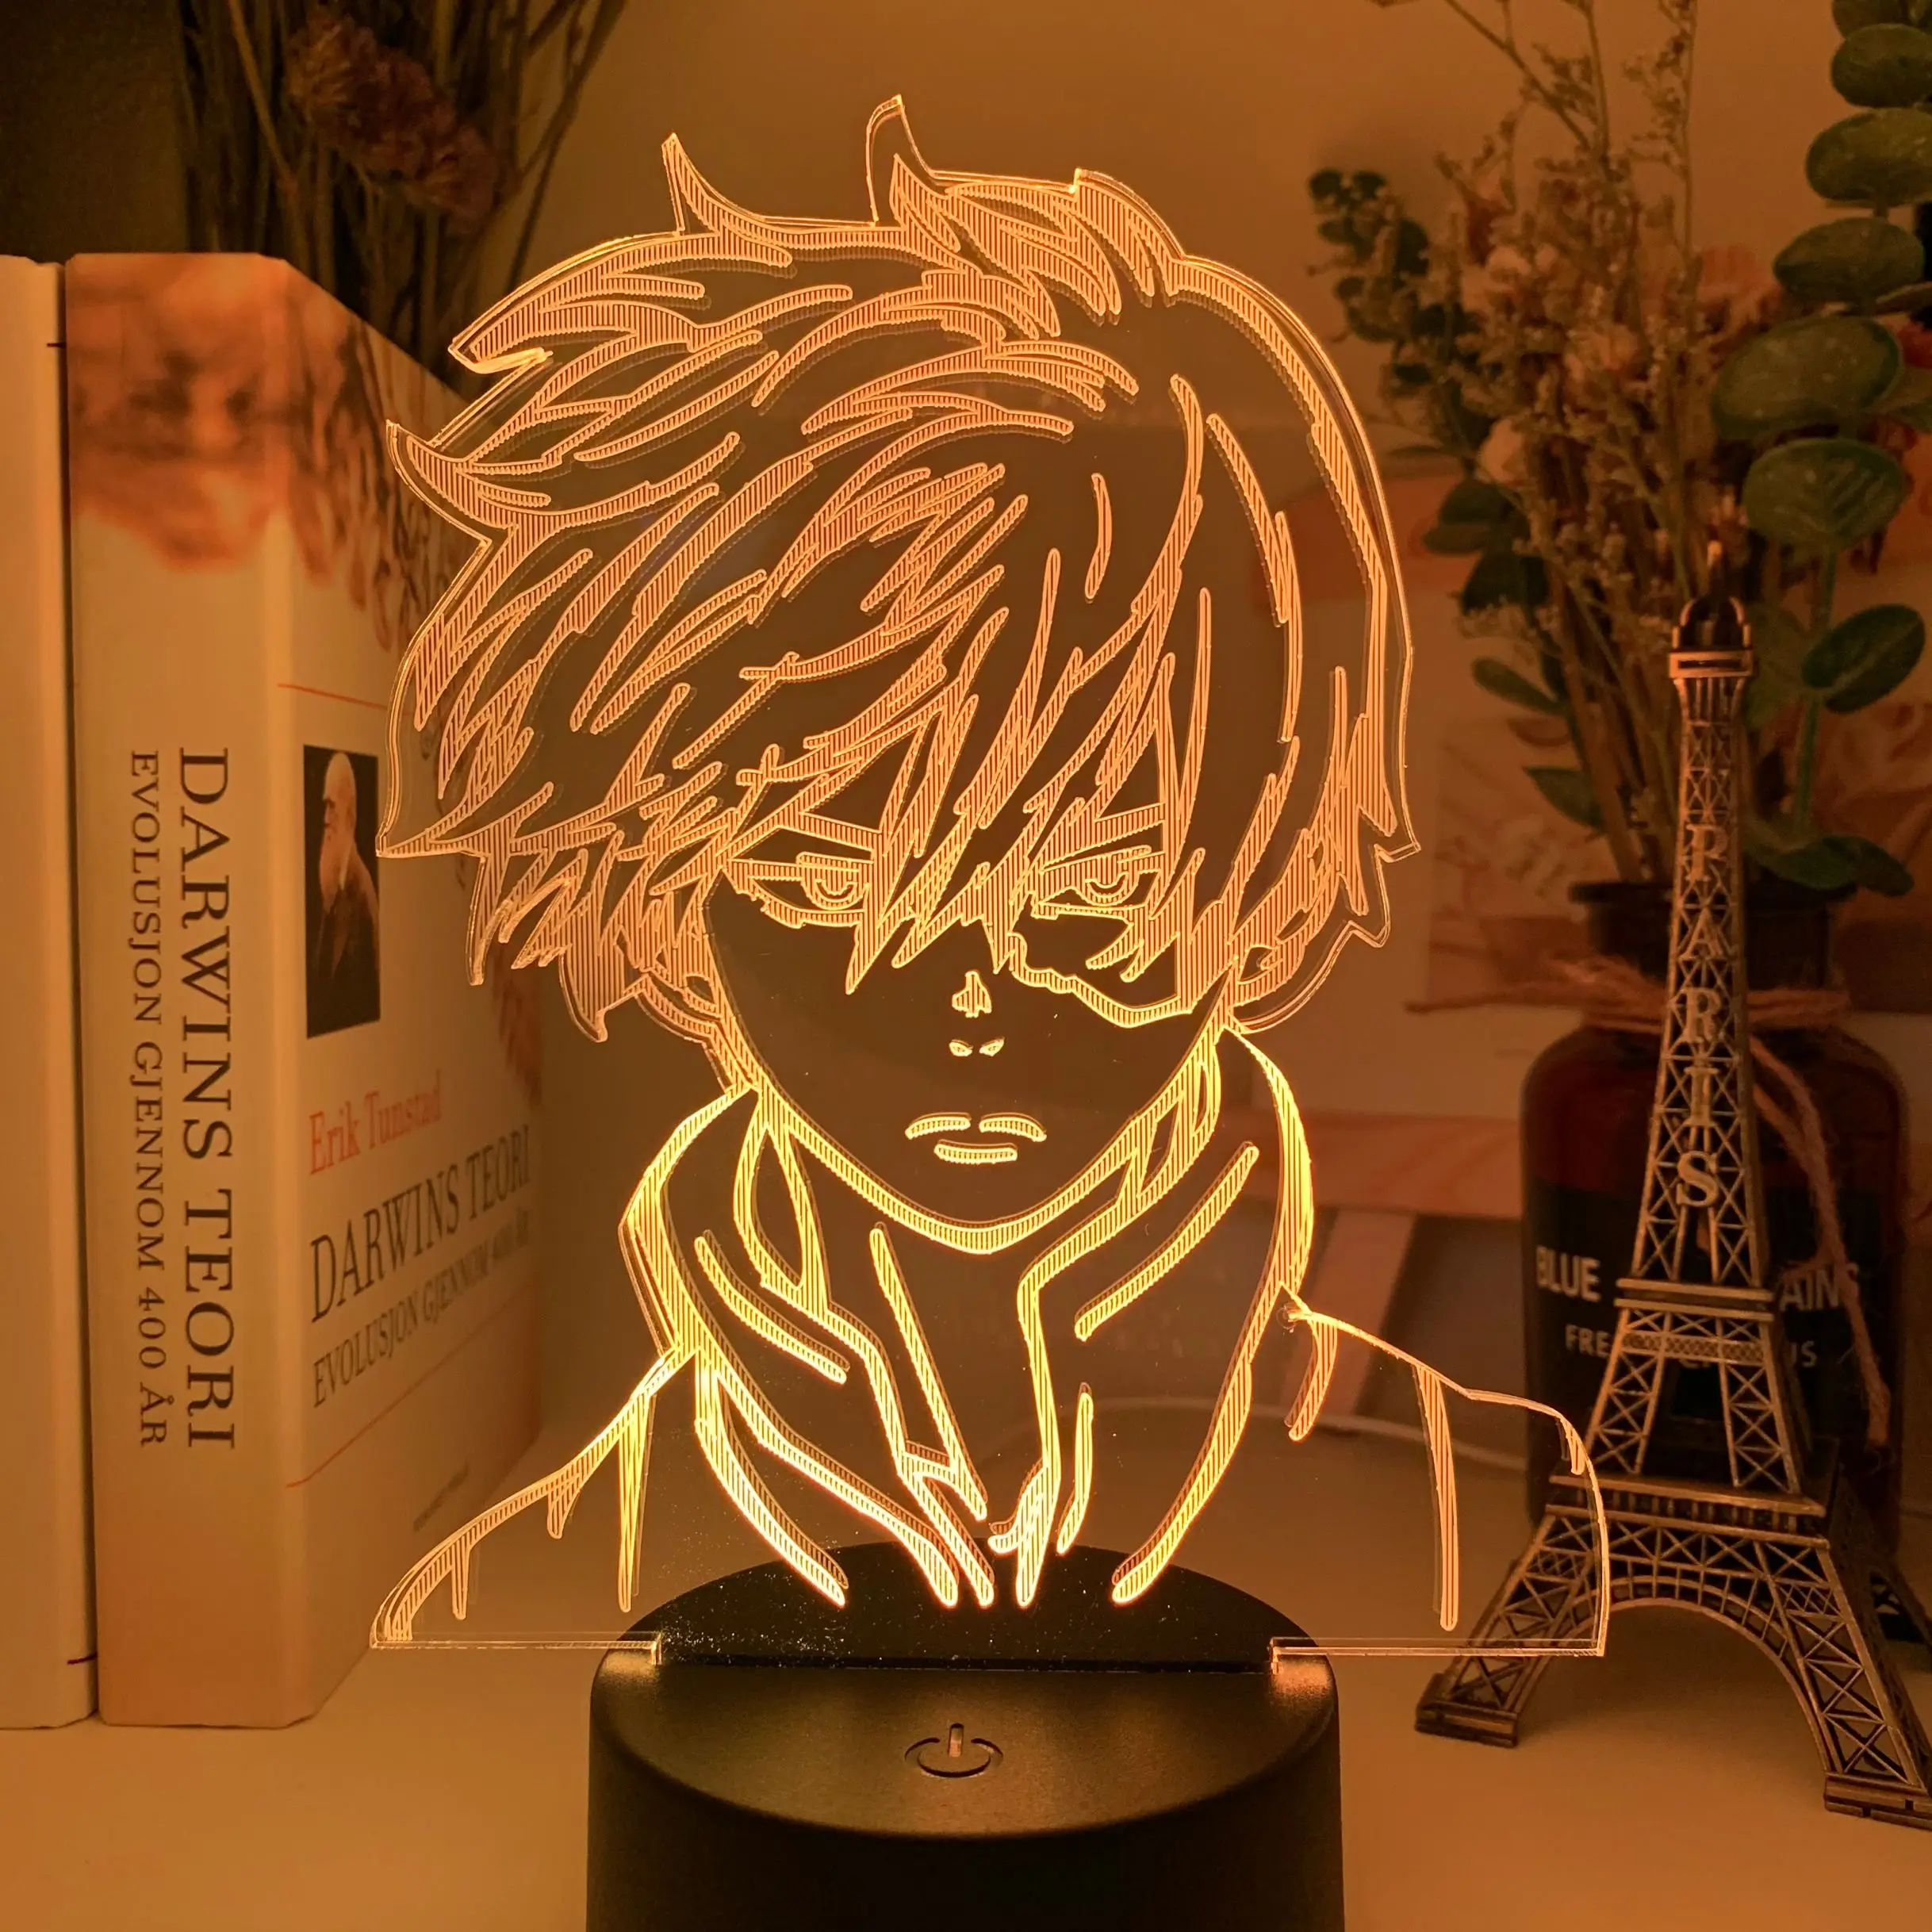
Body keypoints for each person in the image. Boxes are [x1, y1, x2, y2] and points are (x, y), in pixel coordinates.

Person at [371, 102, 1601, 1645]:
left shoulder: (1447, 1524)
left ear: (1270, 886)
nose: (966, 1002)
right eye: (828, 894)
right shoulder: (538, 1568)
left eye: (1088, 899)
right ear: (667, 907)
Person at [309, 749, 380, 1034]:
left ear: (348, 813)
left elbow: (366, 998)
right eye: (324, 806)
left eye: (332, 806)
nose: (326, 818)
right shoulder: (332, 888)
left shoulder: (362, 894)